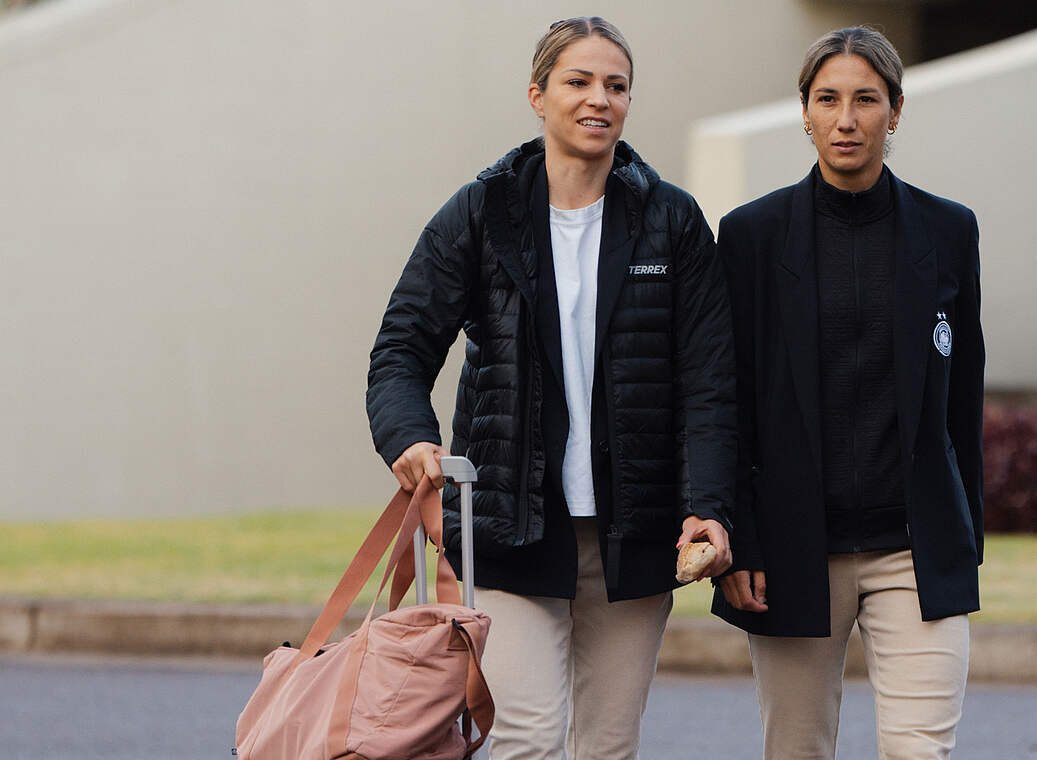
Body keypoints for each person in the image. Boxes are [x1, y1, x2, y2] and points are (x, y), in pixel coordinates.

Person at [366, 17, 735, 760]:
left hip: (635, 532)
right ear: (538, 95)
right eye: (578, 81)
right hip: (509, 523)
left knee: (607, 746)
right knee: (527, 740)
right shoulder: (482, 212)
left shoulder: (671, 221)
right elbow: (401, 349)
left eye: (616, 85)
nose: (598, 99)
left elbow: (710, 384)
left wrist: (709, 508)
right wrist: (411, 439)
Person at [713, 26, 984, 760]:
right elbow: (725, 402)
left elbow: (962, 403)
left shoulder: (949, 231)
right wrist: (739, 539)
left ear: (895, 111)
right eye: (827, 99)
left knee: (920, 750)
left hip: (914, 547)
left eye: (866, 99)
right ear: (804, 112)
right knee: (796, 750)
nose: (846, 118)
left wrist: (968, 539)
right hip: (796, 550)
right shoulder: (749, 237)